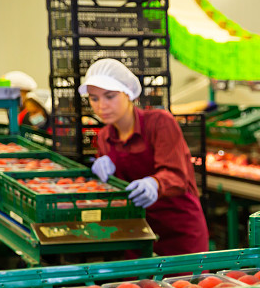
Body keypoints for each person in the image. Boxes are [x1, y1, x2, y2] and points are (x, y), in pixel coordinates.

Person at [79, 58, 209, 256]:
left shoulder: (159, 123)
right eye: (94, 98)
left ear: (128, 94)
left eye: (110, 96)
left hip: (179, 230)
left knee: (185, 285)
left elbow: (178, 176)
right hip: (138, 229)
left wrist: (155, 183)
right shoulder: (105, 136)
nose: (101, 106)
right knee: (138, 286)